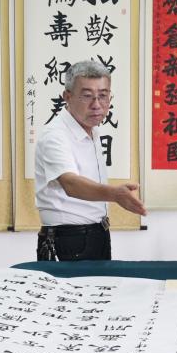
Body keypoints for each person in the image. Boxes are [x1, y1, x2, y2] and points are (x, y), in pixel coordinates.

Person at [34, 60, 146, 261]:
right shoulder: (55, 135)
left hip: (96, 233)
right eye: (87, 95)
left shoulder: (92, 131)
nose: (96, 104)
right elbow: (71, 184)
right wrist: (115, 194)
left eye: (103, 95)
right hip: (68, 239)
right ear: (67, 96)